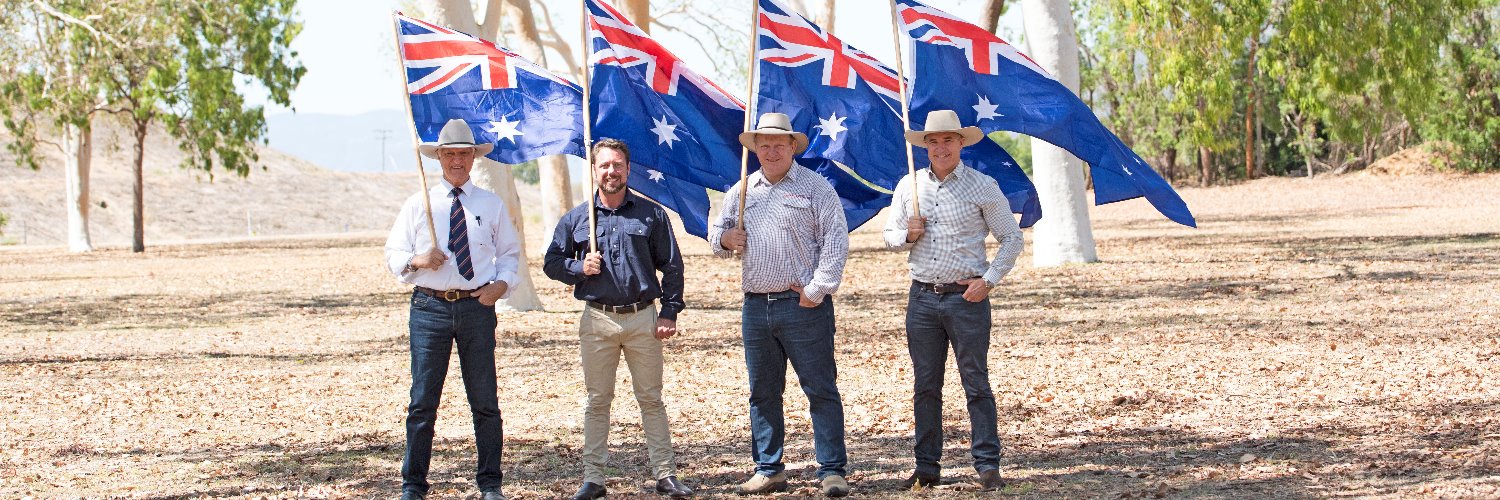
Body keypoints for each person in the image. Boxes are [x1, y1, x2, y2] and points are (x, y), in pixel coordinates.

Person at [707, 112, 852, 497]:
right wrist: (725, 241)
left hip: (803, 306)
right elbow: (715, 235)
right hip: (756, 307)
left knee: (820, 388)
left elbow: (835, 244)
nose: (770, 151)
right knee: (763, 391)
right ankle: (769, 468)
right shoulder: (741, 191)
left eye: (778, 144)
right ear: (754, 149)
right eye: (763, 145)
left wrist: (816, 290)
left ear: (792, 147)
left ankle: (832, 470)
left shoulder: (816, 189)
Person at [542, 138, 694, 500]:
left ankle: (665, 476)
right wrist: (579, 267)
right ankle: (594, 479)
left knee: (651, 399)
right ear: (594, 170)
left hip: (643, 320)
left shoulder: (650, 214)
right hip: (597, 322)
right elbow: (551, 263)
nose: (611, 171)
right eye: (604, 165)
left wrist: (670, 311)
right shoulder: (578, 218)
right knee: (598, 400)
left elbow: (672, 265)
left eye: (618, 165)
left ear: (628, 168)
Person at [882, 110, 1022, 492]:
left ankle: (987, 464)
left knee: (975, 381)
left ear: (961, 143)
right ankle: (927, 467)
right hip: (923, 298)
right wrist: (908, 235)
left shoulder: (982, 185)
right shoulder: (908, 186)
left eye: (948, 140)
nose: (941, 147)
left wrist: (988, 281)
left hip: (966, 299)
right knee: (926, 385)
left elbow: (1012, 237)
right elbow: (889, 235)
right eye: (933, 141)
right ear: (924, 146)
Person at [383, 119, 520, 500]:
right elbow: (392, 254)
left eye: (464, 153)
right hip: (430, 309)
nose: (457, 160)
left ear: (474, 157)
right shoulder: (419, 204)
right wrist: (417, 260)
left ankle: (491, 484)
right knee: (423, 401)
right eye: (450, 154)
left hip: (477, 307)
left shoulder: (490, 204)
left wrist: (500, 286)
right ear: (439, 158)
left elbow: (510, 254)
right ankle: (413, 485)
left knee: (485, 400)